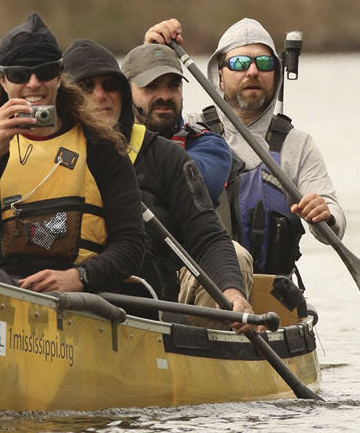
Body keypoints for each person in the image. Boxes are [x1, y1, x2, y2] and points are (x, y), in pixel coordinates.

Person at [0, 13, 145, 293]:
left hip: (77, 292)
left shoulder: (102, 147)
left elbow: (131, 243)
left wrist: (79, 277)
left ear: (60, 77)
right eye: (20, 74)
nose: (34, 83)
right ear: (3, 81)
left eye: (45, 72)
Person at [61, 39, 254, 320]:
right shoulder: (34, 149)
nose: (101, 96)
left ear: (121, 94)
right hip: (66, 291)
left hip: (152, 298)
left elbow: (208, 237)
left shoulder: (176, 155)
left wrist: (232, 292)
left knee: (233, 256)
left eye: (109, 86)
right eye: (87, 88)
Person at [144, 18, 344, 282]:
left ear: (276, 75)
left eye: (263, 63)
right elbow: (135, 124)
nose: (252, 72)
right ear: (219, 76)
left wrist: (326, 215)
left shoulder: (298, 145)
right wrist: (151, 52)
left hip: (270, 298)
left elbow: (332, 225)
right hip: (194, 287)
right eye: (239, 64)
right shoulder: (186, 128)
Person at [122, 43, 232, 205]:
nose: (165, 96)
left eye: (173, 85)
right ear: (125, 92)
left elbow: (191, 186)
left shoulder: (211, 146)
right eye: (151, 86)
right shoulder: (107, 142)